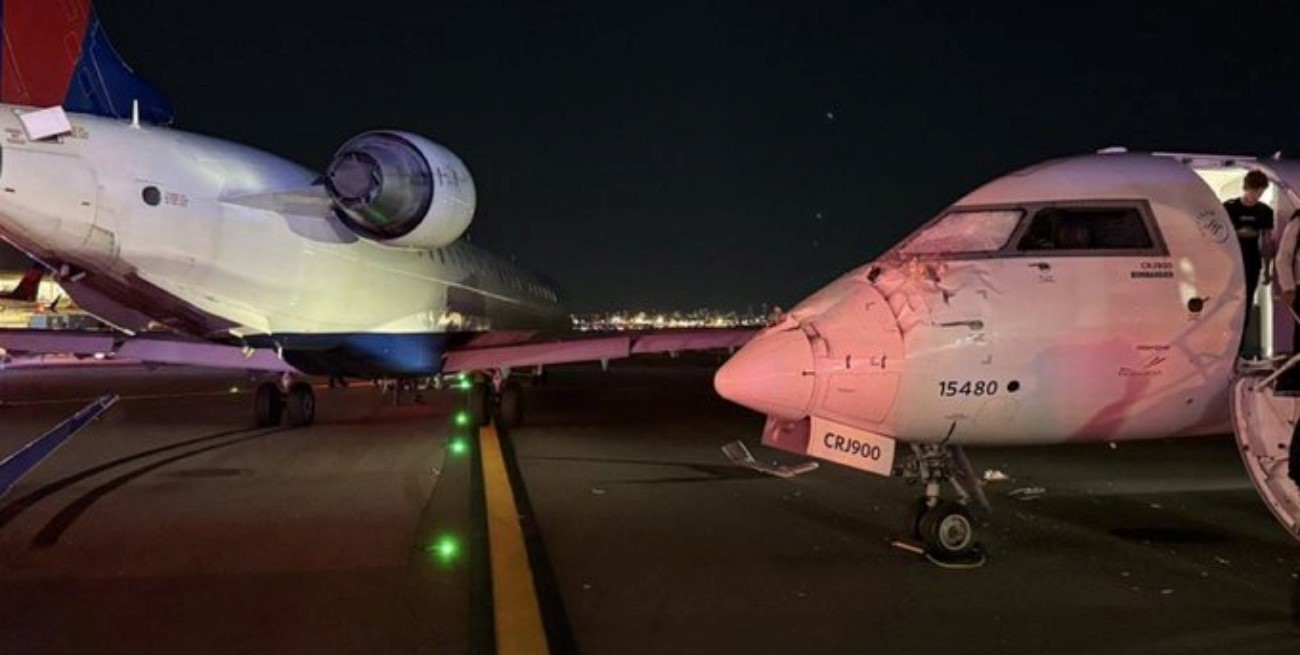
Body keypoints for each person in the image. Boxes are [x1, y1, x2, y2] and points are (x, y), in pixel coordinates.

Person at [1226, 170, 1275, 357]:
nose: (1257, 196)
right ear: (1246, 188)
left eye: (1260, 192)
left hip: (1251, 262)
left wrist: (1268, 269)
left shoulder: (1264, 211)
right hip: (1230, 263)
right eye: (1254, 191)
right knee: (1228, 303)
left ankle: (1239, 350)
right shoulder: (1230, 208)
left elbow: (1267, 241)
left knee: (1246, 304)